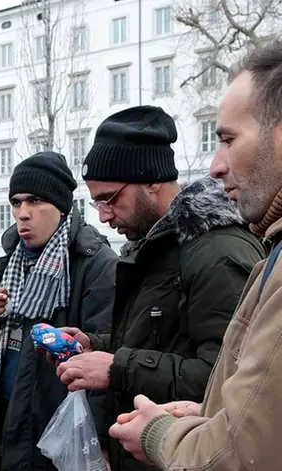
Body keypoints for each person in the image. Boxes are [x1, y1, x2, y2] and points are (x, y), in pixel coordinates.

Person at [56, 105, 265, 471]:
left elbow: (226, 379)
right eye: (95, 202)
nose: (103, 215)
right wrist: (96, 346)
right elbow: (162, 341)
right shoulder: (152, 248)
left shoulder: (216, 251)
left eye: (110, 198)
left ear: (151, 181)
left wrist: (117, 366)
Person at [109, 40, 282, 471]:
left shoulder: (220, 250)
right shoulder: (270, 251)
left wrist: (158, 431)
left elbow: (237, 455)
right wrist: (206, 416)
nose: (214, 165)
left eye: (227, 139)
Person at [0, 152, 118, 469]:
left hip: (57, 422)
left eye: (35, 201)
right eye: (16, 202)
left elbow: (107, 357)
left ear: (62, 206)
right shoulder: (12, 260)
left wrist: (98, 444)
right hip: (5, 416)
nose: (23, 213)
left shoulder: (97, 264)